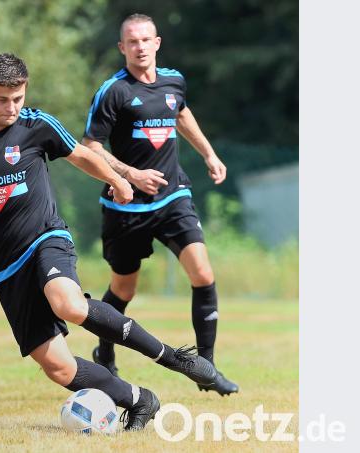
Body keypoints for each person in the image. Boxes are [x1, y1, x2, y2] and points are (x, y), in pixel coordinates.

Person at [0, 53, 217, 431]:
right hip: (6, 267)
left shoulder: (37, 124)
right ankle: (140, 400)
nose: (12, 107)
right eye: (2, 99)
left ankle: (172, 358)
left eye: (18, 98)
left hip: (46, 238)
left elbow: (82, 155)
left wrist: (119, 179)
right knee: (56, 366)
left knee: (69, 303)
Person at [81, 14, 238, 396]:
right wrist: (132, 175)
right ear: (123, 48)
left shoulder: (174, 81)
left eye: (145, 40)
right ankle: (105, 352)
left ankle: (207, 366)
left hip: (173, 197)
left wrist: (209, 154)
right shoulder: (112, 92)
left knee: (202, 273)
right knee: (124, 289)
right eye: (131, 41)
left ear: (157, 43)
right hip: (126, 208)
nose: (139, 47)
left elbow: (181, 114)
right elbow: (90, 147)